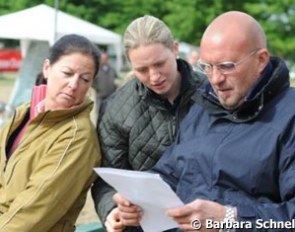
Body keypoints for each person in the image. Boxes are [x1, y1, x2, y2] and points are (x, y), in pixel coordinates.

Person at [113, 11, 295, 232]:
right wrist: (137, 199)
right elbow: (169, 174)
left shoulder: (289, 117)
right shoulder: (202, 106)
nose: (216, 79)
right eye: (207, 67)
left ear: (261, 60)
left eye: (227, 66)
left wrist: (230, 219)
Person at [91, 15, 204, 231]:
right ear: (129, 64)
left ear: (175, 49)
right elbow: (106, 179)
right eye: (142, 70)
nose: (154, 77)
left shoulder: (212, 94)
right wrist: (113, 209)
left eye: (160, 64)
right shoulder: (116, 108)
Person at [0, 34, 101, 232]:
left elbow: (32, 212)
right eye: (67, 73)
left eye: (84, 79)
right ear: (47, 68)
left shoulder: (76, 136)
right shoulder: (23, 113)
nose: (73, 85)